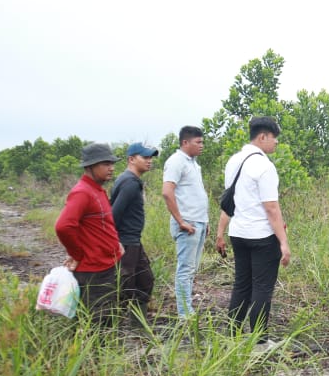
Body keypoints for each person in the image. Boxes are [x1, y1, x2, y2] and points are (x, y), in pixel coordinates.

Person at [215, 117, 291, 334]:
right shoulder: (264, 165)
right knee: (262, 288)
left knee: (242, 285)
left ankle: (232, 333)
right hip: (261, 237)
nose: (276, 142)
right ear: (263, 136)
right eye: (274, 138)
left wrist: (221, 232)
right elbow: (271, 208)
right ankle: (258, 339)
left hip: (238, 233)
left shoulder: (233, 161)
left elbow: (229, 201)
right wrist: (284, 243)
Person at [55, 143, 124, 326]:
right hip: (93, 270)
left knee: (106, 317)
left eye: (111, 163)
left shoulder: (97, 190)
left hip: (105, 265)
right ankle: (94, 354)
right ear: (89, 166)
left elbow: (100, 226)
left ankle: (99, 352)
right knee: (96, 322)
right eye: (105, 163)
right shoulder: (82, 193)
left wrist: (116, 244)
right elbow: (63, 226)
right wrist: (77, 254)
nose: (111, 168)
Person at [162, 125, 209, 317]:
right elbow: (167, 192)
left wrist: (205, 222)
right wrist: (180, 221)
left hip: (198, 222)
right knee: (185, 269)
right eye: (198, 142)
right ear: (185, 142)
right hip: (188, 223)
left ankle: (187, 309)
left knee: (191, 270)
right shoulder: (176, 161)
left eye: (202, 142)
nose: (201, 145)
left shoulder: (193, 163)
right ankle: (185, 314)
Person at [110, 142, 159, 317]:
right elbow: (113, 214)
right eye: (145, 157)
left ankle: (138, 324)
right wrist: (116, 242)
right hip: (126, 242)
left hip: (133, 241)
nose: (149, 161)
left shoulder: (129, 180)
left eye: (150, 157)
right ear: (131, 159)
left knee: (145, 280)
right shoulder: (129, 183)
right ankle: (113, 326)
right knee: (125, 285)